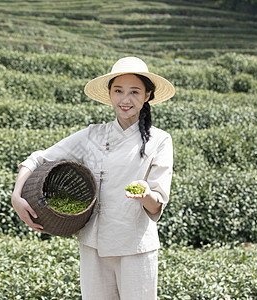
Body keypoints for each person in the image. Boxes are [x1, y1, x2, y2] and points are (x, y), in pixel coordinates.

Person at [11, 56, 175, 299]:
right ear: (110, 94)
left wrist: (145, 193)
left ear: (147, 95)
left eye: (134, 92)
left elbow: (157, 202)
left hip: (135, 246)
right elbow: (39, 158)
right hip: (93, 244)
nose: (125, 99)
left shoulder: (159, 140)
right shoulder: (92, 135)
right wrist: (16, 195)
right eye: (118, 91)